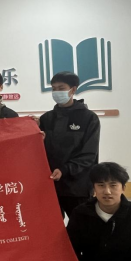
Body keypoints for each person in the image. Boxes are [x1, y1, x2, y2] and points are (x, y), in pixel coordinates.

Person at [38, 71, 100, 218]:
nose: (56, 92)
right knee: (51, 227)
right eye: (54, 89)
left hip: (78, 188)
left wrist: (65, 170)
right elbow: (37, 152)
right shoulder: (46, 119)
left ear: (73, 89)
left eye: (61, 88)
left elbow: (89, 155)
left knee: (81, 228)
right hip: (50, 186)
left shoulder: (88, 118)